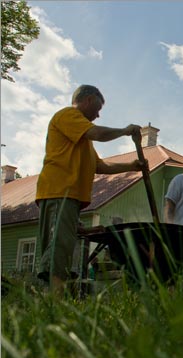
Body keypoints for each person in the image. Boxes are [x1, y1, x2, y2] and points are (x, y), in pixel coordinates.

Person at [36, 84, 145, 295]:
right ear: (88, 99)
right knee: (59, 247)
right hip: (59, 191)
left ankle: (57, 299)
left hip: (69, 197)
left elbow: (101, 166)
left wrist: (132, 166)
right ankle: (54, 302)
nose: (98, 115)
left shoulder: (81, 138)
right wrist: (124, 131)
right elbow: (97, 133)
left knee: (65, 247)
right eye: (98, 108)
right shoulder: (68, 115)